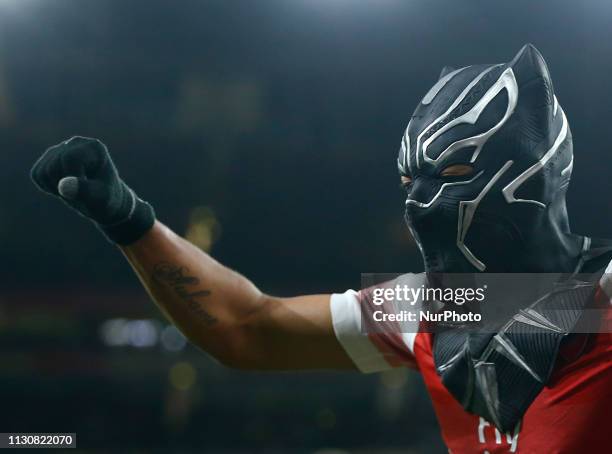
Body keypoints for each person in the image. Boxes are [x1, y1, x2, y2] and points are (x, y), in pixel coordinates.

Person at [31, 44, 611, 452]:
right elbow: (249, 328)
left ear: (533, 172)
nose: (421, 203)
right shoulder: (431, 308)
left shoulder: (600, 296)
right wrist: (131, 220)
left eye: (453, 170)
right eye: (411, 183)